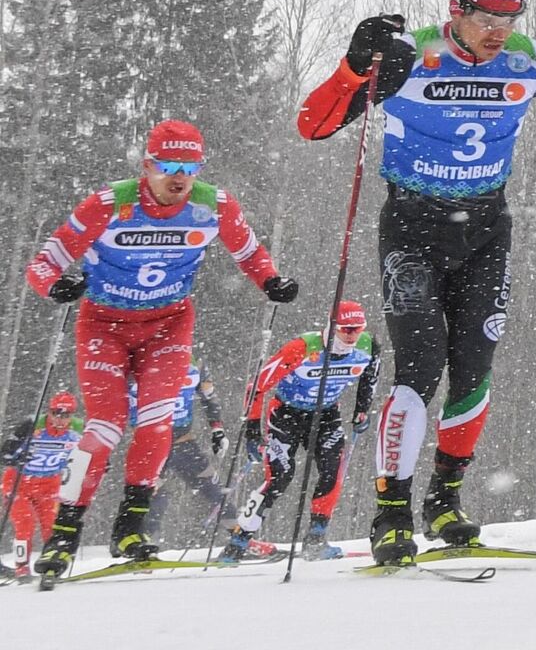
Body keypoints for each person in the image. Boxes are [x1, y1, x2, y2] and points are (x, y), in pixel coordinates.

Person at [296, 0, 536, 565]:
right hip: (413, 227)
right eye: (485, 18)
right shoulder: (412, 53)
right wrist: (353, 66)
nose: (498, 31)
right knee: (420, 366)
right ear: (456, 11)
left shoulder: (528, 59)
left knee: (473, 366)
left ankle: (444, 500)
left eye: (509, 18)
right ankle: (390, 513)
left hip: (485, 232)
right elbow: (312, 126)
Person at [21, 120, 297, 577]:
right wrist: (56, 286)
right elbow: (43, 263)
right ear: (147, 166)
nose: (179, 176)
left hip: (168, 325)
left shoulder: (213, 205)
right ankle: (64, 533)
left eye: (190, 166)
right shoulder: (110, 203)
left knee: (156, 423)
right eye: (168, 165)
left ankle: (130, 525)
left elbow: (249, 252)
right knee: (105, 425)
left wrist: (271, 281)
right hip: (104, 325)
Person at [219, 300, 381, 562]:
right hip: (287, 414)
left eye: (357, 328)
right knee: (281, 477)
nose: (352, 335)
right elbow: (256, 387)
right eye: (345, 329)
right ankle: (239, 541)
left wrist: (362, 410)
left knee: (332, 470)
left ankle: (316, 538)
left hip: (327, 414)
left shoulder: (369, 346)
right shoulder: (303, 348)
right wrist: (252, 430)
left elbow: (370, 378)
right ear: (332, 327)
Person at [3, 392, 83, 578]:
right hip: (19, 483)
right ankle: (21, 568)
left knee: (53, 527)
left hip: (50, 485)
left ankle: (52, 564)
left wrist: (99, 465)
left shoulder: (78, 429)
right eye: (56, 413)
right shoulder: (32, 425)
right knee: (25, 525)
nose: (60, 419)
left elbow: (94, 453)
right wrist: (17, 457)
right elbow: (5, 453)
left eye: (66, 414)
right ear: (49, 411)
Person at [144, 360, 230, 531]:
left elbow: (209, 398)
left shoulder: (196, 365)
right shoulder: (147, 359)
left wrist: (217, 430)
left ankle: (239, 538)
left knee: (215, 490)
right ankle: (138, 541)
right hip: (153, 443)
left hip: (183, 443)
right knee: (151, 494)